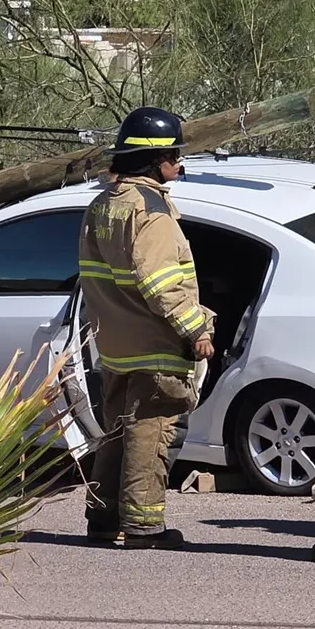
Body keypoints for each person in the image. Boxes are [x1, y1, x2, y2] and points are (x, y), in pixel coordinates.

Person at [78, 106, 214, 550]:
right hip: (154, 342)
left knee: (116, 432)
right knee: (149, 433)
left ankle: (102, 520)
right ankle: (143, 528)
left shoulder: (103, 204)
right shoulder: (151, 211)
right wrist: (196, 330)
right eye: (175, 154)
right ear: (154, 160)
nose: (181, 162)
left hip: (115, 343)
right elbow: (160, 284)